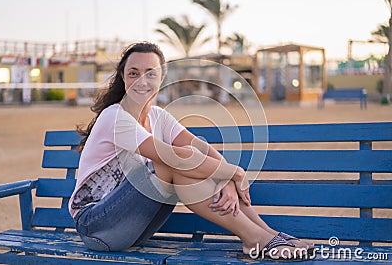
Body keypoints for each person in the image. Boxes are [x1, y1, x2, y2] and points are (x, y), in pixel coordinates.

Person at [69, 42, 313, 260]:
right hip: (96, 226)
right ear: (124, 78)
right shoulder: (115, 116)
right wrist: (234, 172)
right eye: (134, 73)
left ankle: (265, 234)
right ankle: (255, 238)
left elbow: (201, 148)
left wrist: (226, 177)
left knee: (187, 159)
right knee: (170, 162)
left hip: (133, 229)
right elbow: (173, 157)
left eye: (150, 74)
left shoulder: (159, 117)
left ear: (162, 78)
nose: (142, 81)